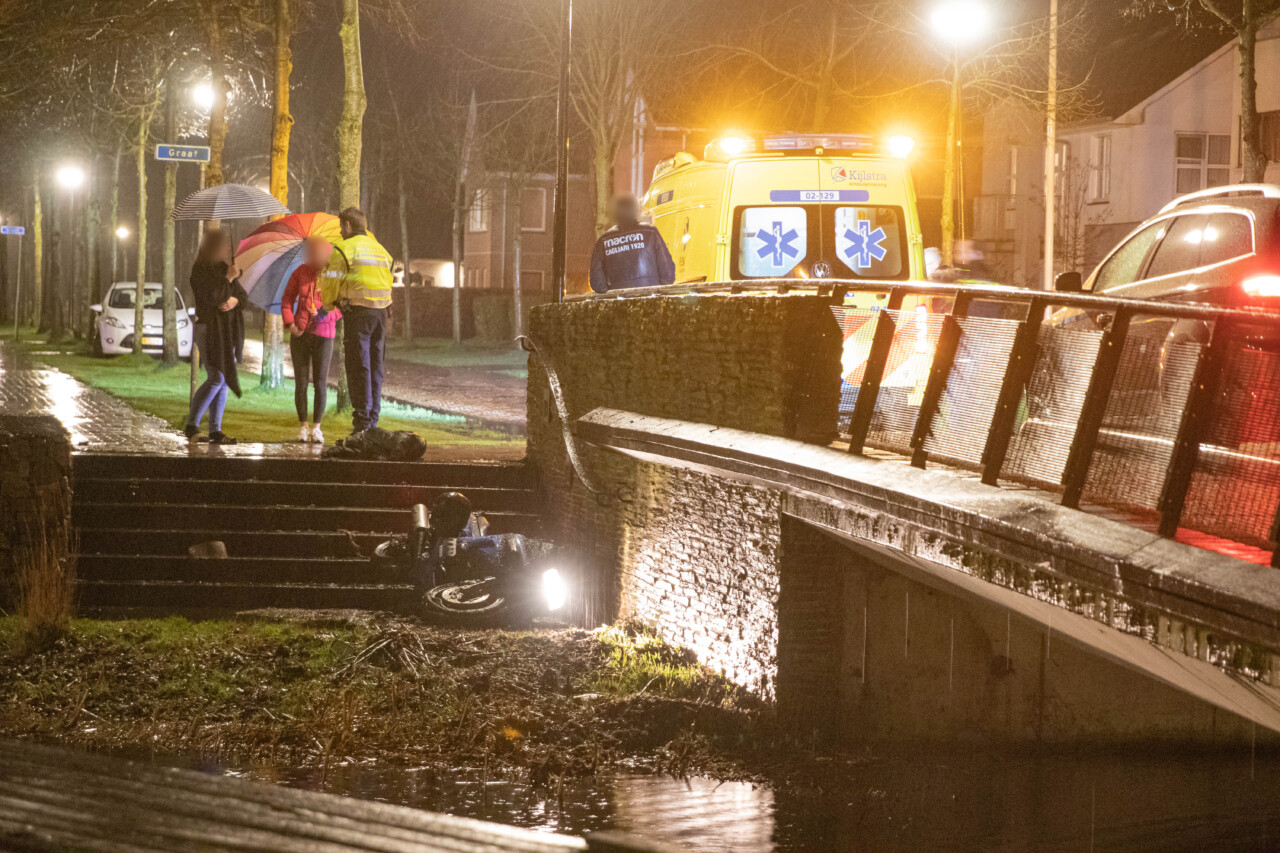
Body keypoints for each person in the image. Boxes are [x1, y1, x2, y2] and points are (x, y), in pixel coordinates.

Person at [321, 207, 393, 436]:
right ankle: (372, 419)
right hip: (381, 315)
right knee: (375, 367)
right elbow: (387, 273)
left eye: (342, 226)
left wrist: (329, 304)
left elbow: (331, 282)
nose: (341, 231)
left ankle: (361, 423)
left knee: (357, 366)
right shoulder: (381, 250)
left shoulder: (343, 249)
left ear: (348, 226)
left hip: (358, 314)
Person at [184, 230, 246, 445]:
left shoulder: (223, 268)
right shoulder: (200, 270)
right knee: (217, 377)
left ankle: (215, 430)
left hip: (226, 332)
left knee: (224, 380)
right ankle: (192, 425)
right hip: (209, 328)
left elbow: (241, 296)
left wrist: (234, 301)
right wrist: (228, 278)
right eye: (222, 246)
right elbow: (210, 297)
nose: (226, 250)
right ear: (212, 247)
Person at [282, 236, 342, 444]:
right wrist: (290, 322)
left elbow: (340, 306)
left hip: (324, 336)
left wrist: (323, 314)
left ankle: (317, 428)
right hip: (300, 334)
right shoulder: (300, 272)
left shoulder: (333, 275)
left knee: (320, 383)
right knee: (301, 383)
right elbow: (287, 298)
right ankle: (303, 427)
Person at [588, 194, 675, 293]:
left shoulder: (603, 241)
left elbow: (597, 283)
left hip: (619, 304)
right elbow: (668, 273)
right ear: (636, 211)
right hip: (650, 300)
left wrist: (613, 292)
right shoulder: (650, 233)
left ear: (615, 213)